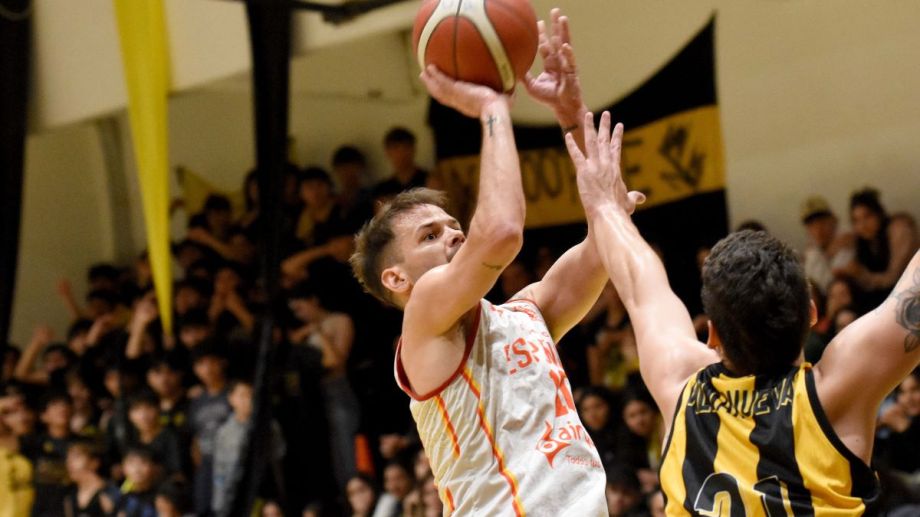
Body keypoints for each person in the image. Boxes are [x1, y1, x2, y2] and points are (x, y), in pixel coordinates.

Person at [349, 10, 642, 515]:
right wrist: (492, 107)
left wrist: (571, 114)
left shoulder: (527, 313)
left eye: (454, 224)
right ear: (396, 278)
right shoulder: (425, 319)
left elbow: (607, 225)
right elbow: (502, 231)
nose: (455, 233)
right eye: (430, 235)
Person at [566, 108, 920, 514]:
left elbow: (640, 282)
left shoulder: (678, 384)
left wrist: (605, 207)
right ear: (810, 313)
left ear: (712, 333)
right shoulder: (835, 392)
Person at [837, 187, 919, 311]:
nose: (862, 225)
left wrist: (861, 274)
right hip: (883, 302)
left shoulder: (897, 229)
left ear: (879, 214)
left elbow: (895, 278)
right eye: (856, 220)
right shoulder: (863, 241)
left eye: (867, 216)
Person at [799, 195, 854, 293]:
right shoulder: (812, 252)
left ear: (833, 220)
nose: (818, 229)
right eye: (812, 224)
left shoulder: (847, 239)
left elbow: (834, 281)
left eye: (822, 221)